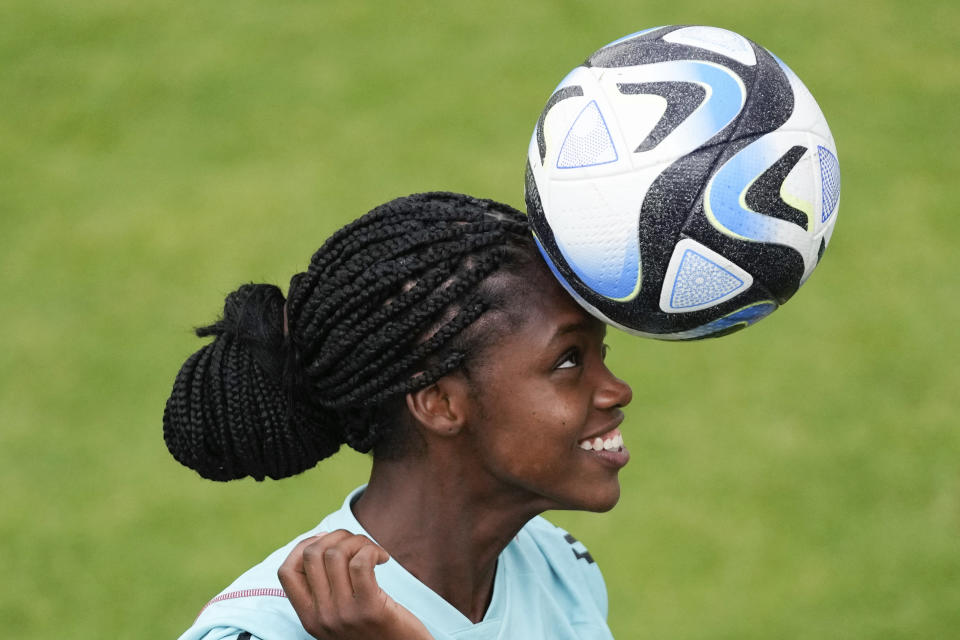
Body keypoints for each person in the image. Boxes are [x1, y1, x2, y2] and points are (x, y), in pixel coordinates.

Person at [165, 192, 633, 640]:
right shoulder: (268, 631)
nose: (617, 390)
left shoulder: (555, 564)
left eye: (601, 351)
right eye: (568, 360)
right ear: (439, 402)